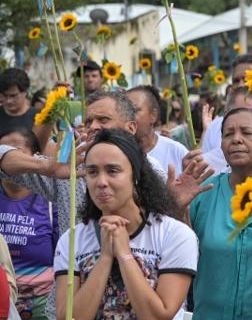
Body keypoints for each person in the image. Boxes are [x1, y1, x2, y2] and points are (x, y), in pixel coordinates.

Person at [54, 128, 198, 319]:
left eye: (113, 171)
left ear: (135, 175)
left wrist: (124, 255)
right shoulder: (72, 240)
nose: (101, 182)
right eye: (92, 172)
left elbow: (157, 316)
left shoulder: (175, 235)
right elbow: (68, 317)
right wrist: (105, 258)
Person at [172, 107, 252, 319]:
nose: (236, 140)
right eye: (228, 134)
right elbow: (183, 254)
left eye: (247, 132)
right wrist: (178, 209)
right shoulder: (204, 192)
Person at [0, 128, 55, 320]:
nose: (11, 160)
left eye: (16, 151)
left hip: (44, 302)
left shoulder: (51, 200)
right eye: (4, 152)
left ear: (35, 157)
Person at [127, 86, 189, 175]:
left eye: (134, 110)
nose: (127, 116)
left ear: (153, 115)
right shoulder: (114, 152)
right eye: (123, 111)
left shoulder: (177, 152)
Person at [0, 68, 38, 138]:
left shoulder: (38, 117)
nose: (9, 101)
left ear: (25, 92)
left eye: (13, 96)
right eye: (5, 95)